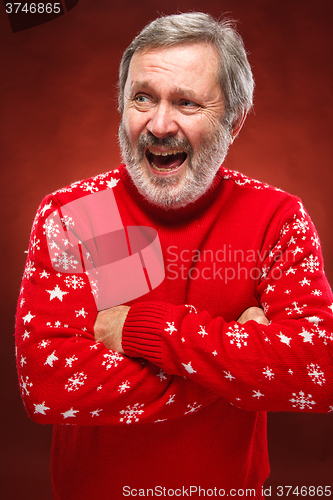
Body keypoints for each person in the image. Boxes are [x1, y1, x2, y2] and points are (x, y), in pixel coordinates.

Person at [15, 12, 333, 500]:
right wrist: (239, 365)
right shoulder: (83, 212)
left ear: (235, 118)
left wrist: (143, 328)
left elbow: (317, 370)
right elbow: (48, 385)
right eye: (142, 97)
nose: (159, 125)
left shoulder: (276, 217)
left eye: (186, 102)